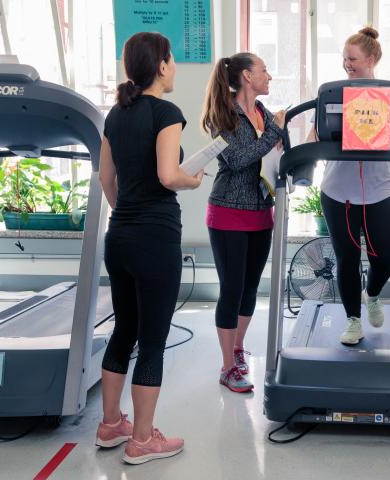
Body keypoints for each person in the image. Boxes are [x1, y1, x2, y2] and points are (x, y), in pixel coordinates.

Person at [94, 31, 203, 465]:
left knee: (124, 330)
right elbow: (168, 175)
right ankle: (141, 440)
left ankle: (109, 425)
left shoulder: (115, 114)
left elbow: (106, 179)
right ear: (160, 65)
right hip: (155, 239)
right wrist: (191, 179)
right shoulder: (167, 112)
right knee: (153, 341)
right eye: (172, 60)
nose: (174, 66)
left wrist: (127, 213)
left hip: (118, 235)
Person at [320, 26, 390, 345]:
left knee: (384, 259)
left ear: (372, 58)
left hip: (380, 191)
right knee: (347, 259)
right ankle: (352, 321)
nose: (347, 64)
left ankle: (372, 294)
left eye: (353, 58)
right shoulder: (333, 96)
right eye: (344, 58)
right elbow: (315, 135)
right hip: (338, 192)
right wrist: (299, 159)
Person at [200, 53, 285, 393]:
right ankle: (226, 367)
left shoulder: (263, 114)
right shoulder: (224, 116)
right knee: (231, 290)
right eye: (265, 70)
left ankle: (237, 350)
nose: (269, 76)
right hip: (228, 214)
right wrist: (274, 133)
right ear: (248, 77)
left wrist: (282, 138)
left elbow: (269, 154)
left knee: (250, 289)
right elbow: (237, 159)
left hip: (261, 214)